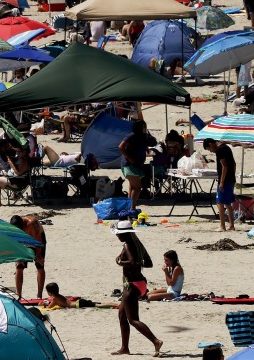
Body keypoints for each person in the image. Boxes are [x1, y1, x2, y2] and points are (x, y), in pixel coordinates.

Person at [111, 221, 163, 357]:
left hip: (132, 285)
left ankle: (156, 341)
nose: (117, 236)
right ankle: (124, 348)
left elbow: (132, 262)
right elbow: (148, 263)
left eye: (118, 234)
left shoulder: (127, 244)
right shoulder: (137, 244)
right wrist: (132, 262)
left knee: (133, 319)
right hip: (139, 283)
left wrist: (120, 262)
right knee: (122, 316)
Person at [118, 120, 155, 209]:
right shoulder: (132, 135)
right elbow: (121, 147)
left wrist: (147, 135)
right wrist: (129, 158)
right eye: (143, 127)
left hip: (137, 165)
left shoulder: (144, 137)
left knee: (132, 187)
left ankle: (129, 207)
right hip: (129, 164)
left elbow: (153, 142)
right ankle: (132, 207)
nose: (145, 128)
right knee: (138, 187)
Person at [10, 214, 46, 298]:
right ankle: (19, 295)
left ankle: (39, 295)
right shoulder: (12, 227)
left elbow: (38, 241)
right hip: (23, 241)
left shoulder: (32, 223)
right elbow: (14, 242)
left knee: (39, 265)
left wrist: (38, 255)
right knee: (19, 266)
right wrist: (18, 256)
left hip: (37, 239)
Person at [205, 138, 235, 231]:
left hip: (225, 179)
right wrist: (232, 175)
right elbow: (234, 163)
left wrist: (221, 182)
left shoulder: (220, 150)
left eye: (209, 149)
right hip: (231, 178)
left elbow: (224, 166)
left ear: (211, 144)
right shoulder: (226, 147)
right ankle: (231, 225)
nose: (211, 151)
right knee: (228, 202)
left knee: (220, 202)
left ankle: (222, 226)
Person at [0, 143, 29, 207]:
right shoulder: (22, 158)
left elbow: (18, 173)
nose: (18, 153)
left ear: (24, 152)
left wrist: (10, 161)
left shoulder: (24, 160)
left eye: (19, 152)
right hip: (15, 179)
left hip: (17, 183)